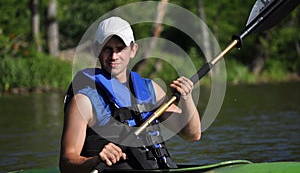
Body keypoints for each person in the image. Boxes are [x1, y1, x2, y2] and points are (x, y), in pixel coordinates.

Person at [59, 16, 201, 173]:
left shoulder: (151, 90)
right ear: (96, 50)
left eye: (120, 48)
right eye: (107, 49)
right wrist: (96, 160)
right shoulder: (84, 101)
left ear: (133, 50)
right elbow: (67, 163)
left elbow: (192, 134)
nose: (114, 56)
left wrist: (187, 99)